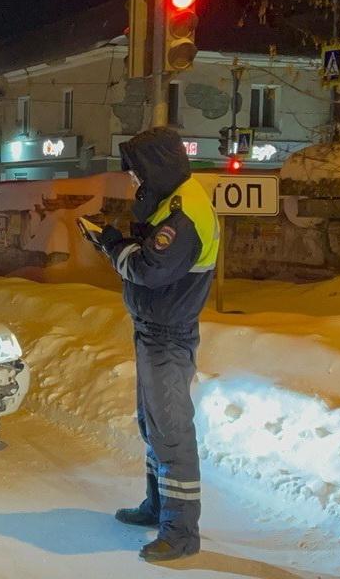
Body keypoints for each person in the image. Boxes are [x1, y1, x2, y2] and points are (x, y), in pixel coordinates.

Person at [83, 127, 219, 562]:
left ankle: (181, 533)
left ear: (156, 167)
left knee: (171, 430)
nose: (133, 180)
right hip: (154, 329)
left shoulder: (184, 214)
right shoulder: (171, 200)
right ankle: (158, 506)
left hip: (168, 335)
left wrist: (111, 243)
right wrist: (113, 241)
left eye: (137, 172)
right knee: (153, 423)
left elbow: (148, 270)